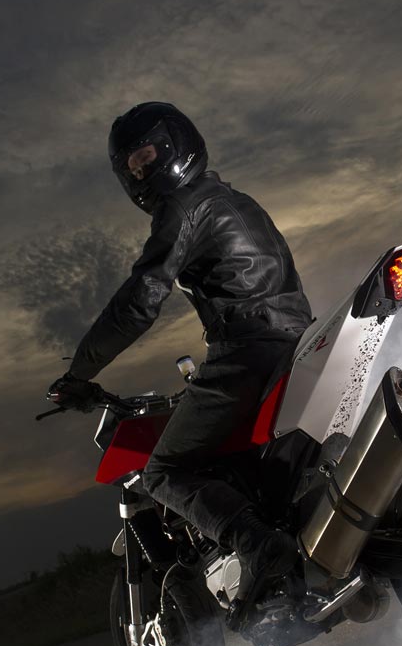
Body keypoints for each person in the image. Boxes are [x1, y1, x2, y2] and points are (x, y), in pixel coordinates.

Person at [47, 102, 313, 581]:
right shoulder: (238, 200)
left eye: (146, 157)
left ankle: (263, 550)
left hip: (248, 351)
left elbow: (139, 301)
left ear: (176, 144)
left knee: (163, 471)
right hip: (298, 340)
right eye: (132, 168)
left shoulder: (183, 206)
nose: (141, 173)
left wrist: (78, 373)